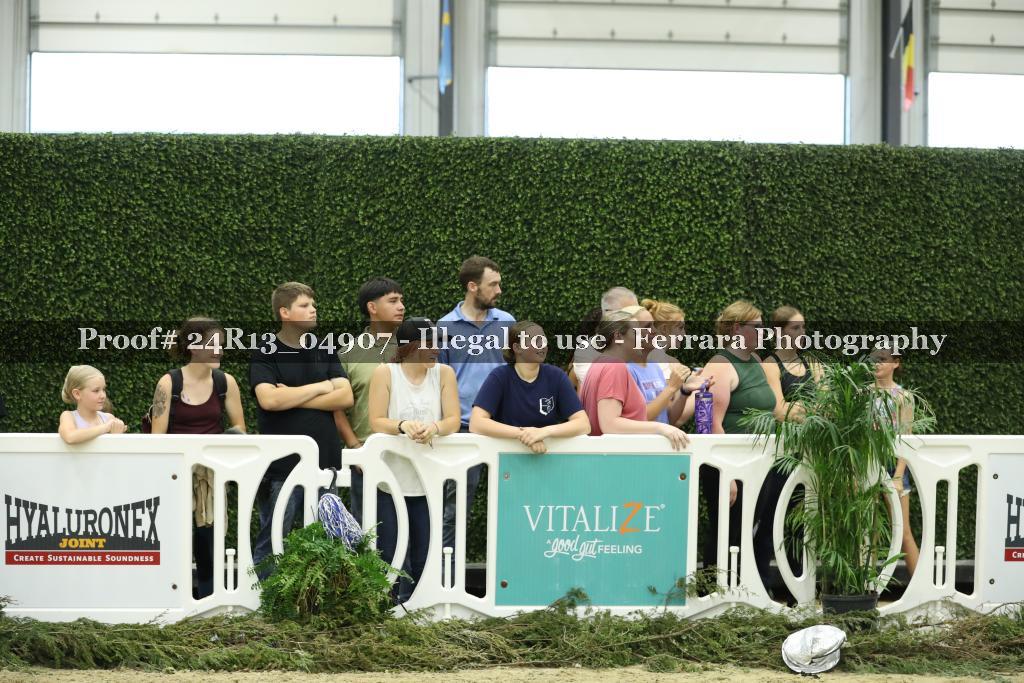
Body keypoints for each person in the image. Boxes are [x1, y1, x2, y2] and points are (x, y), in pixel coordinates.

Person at [250, 282, 353, 575]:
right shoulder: (265, 351)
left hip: (325, 462)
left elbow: (345, 397)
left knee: (328, 542)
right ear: (284, 312)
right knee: (273, 540)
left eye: (313, 305)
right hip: (281, 467)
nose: (313, 310)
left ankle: (320, 601)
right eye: (304, 305)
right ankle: (262, 598)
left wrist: (292, 396)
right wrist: (322, 387)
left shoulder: (324, 348)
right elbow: (269, 400)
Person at [149, 316, 246, 599]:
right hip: (176, 473)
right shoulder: (169, 383)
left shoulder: (226, 382)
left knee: (209, 540)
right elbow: (157, 437)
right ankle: (170, 599)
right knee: (173, 536)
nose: (220, 350)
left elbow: (240, 430)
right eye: (213, 344)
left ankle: (208, 601)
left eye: (221, 344)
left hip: (212, 475)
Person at [368, 317, 460, 602]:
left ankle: (425, 611)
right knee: (389, 553)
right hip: (390, 481)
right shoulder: (385, 373)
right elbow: (376, 420)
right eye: (430, 344)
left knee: (425, 555)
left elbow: (453, 420)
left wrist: (434, 428)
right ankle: (387, 611)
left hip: (429, 481)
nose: (437, 350)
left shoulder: (444, 374)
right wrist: (402, 425)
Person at [437, 256, 515, 562]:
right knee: (454, 510)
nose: (499, 290)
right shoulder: (444, 327)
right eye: (493, 284)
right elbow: (438, 380)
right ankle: (446, 573)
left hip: (505, 428)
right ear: (473, 286)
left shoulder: (507, 322)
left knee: (511, 506)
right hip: (462, 430)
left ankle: (510, 573)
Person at [702, 301, 778, 576]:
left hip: (759, 463)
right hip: (730, 466)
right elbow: (709, 424)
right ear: (737, 328)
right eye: (757, 327)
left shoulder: (755, 360)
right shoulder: (720, 365)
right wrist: (728, 476)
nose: (763, 332)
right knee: (727, 532)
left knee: (748, 532)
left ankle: (741, 591)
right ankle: (712, 590)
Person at [753, 305, 820, 602]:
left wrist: (801, 410)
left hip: (809, 455)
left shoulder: (812, 364)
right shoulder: (770, 364)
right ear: (778, 332)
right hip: (780, 457)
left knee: (799, 524)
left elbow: (825, 406)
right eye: (795, 328)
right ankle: (762, 586)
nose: (801, 333)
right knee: (770, 521)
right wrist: (808, 411)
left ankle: (798, 590)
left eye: (803, 328)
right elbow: (779, 410)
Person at [337, 277, 405, 523]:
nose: (401, 307)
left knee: (414, 533)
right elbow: (337, 408)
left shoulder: (415, 348)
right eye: (393, 301)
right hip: (367, 456)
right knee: (368, 534)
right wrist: (355, 448)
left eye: (401, 301)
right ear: (372, 307)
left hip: (411, 453)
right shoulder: (347, 353)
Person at [470, 321, 590, 452]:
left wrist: (544, 432)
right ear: (517, 348)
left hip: (547, 455)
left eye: (543, 340)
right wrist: (524, 434)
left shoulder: (556, 376)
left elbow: (583, 424)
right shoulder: (500, 376)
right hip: (506, 456)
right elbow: (476, 423)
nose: (542, 345)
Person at [578, 307, 689, 450]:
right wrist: (660, 427)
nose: (641, 337)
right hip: (618, 456)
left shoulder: (600, 363)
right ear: (618, 337)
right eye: (636, 332)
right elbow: (609, 424)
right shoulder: (614, 367)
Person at [870, 346, 919, 577]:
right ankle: (867, 587)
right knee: (869, 531)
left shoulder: (903, 397)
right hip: (868, 462)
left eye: (882, 359)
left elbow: (906, 438)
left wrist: (898, 475)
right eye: (873, 359)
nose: (876, 364)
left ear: (895, 363)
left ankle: (921, 588)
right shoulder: (863, 394)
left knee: (902, 530)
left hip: (893, 464)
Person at [629, 298, 705, 426]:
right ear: (664, 329)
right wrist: (697, 389)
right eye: (680, 328)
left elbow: (666, 416)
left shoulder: (663, 361)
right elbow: (675, 419)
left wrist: (687, 387)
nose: (684, 334)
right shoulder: (659, 361)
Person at [573, 287, 638, 388]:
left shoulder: (645, 343)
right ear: (609, 314)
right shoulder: (587, 351)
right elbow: (601, 388)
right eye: (629, 313)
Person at [58, 365, 127, 444]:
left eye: (103, 389)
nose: (103, 396)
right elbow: (70, 437)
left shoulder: (108, 418)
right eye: (96, 391)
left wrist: (116, 436)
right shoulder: (68, 416)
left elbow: (114, 448)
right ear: (77, 394)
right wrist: (105, 428)